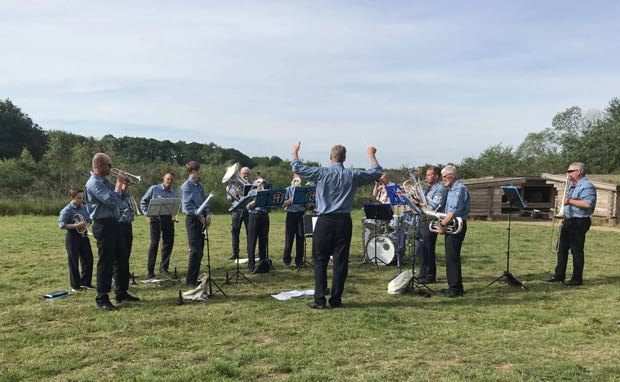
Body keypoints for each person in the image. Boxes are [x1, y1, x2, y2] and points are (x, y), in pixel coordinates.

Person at [292, 143, 382, 309]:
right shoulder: (352, 174)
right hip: (343, 221)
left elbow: (298, 167)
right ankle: (336, 299)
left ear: (330, 157)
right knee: (340, 261)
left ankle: (320, 299)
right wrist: (371, 154)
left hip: (325, 220)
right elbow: (376, 172)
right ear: (345, 158)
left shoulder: (321, 173)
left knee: (320, 260)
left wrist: (295, 152)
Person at [85, 153, 139, 311]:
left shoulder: (104, 181)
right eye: (109, 165)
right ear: (99, 165)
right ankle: (101, 297)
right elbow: (111, 200)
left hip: (115, 223)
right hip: (103, 225)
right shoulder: (94, 183)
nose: (111, 167)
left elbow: (121, 201)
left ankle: (121, 292)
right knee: (106, 262)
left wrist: (125, 186)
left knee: (122, 258)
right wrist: (118, 184)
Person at [546, 162, 597, 286]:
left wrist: (568, 200)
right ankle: (559, 275)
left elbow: (587, 204)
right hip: (569, 220)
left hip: (579, 221)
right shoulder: (571, 186)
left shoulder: (587, 186)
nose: (567, 174)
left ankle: (576, 278)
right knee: (561, 249)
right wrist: (562, 218)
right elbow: (567, 205)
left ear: (578, 172)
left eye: (570, 171)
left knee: (576, 250)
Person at [436, 165, 470, 298]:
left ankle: (455, 289)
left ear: (452, 175)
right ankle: (454, 286)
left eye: (444, 176)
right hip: (452, 225)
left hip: (456, 226)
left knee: (452, 257)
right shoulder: (451, 189)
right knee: (450, 257)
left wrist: (442, 224)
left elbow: (454, 211)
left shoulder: (459, 189)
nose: (443, 179)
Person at [141, 172, 177, 278]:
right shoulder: (154, 188)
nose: (169, 181)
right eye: (167, 179)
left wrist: (174, 215)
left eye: (171, 180)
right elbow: (143, 201)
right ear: (163, 178)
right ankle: (150, 271)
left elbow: (174, 206)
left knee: (168, 243)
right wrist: (146, 214)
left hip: (168, 220)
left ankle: (164, 268)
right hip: (155, 219)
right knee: (154, 244)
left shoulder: (173, 192)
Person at [58, 187, 94, 292]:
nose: (81, 200)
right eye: (79, 198)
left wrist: (86, 224)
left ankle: (86, 283)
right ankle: (75, 286)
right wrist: (77, 225)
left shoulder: (84, 208)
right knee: (73, 261)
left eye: (82, 198)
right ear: (72, 197)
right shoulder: (67, 210)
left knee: (88, 259)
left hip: (84, 235)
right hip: (72, 237)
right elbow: (62, 225)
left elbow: (89, 219)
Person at [180, 161, 210, 286]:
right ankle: (190, 280)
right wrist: (199, 217)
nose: (199, 173)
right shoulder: (186, 186)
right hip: (192, 220)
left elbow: (205, 201)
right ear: (191, 172)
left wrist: (208, 214)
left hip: (202, 218)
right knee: (195, 249)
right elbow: (187, 205)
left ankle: (195, 276)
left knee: (201, 250)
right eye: (197, 171)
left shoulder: (200, 186)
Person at [416, 166, 447, 284]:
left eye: (429, 175)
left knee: (428, 249)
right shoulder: (428, 188)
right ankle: (422, 273)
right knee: (421, 250)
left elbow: (433, 206)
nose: (426, 177)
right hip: (423, 220)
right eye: (427, 175)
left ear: (436, 176)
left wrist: (419, 203)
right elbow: (423, 203)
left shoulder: (440, 189)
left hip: (431, 221)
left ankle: (429, 276)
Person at [246, 177, 271, 273]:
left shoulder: (268, 192)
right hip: (254, 216)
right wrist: (257, 200)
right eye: (260, 183)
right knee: (252, 241)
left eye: (264, 183)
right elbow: (247, 206)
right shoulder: (251, 193)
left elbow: (272, 206)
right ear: (256, 183)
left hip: (264, 216)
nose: (262, 184)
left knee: (263, 240)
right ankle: (251, 266)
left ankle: (262, 264)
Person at [282, 173, 306, 268]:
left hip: (301, 215)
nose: (298, 178)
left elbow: (308, 205)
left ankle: (299, 261)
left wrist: (305, 201)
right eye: (297, 177)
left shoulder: (304, 190)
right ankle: (286, 261)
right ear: (293, 178)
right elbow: (283, 204)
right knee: (289, 238)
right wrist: (293, 198)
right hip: (291, 215)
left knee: (300, 238)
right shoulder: (287, 189)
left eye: (300, 177)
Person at [227, 166, 251, 260]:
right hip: (236, 210)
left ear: (249, 174)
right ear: (240, 174)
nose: (245, 175)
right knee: (235, 231)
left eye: (247, 174)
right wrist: (232, 195)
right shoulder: (233, 185)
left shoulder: (252, 184)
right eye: (243, 173)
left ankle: (250, 253)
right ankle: (235, 253)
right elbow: (228, 198)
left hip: (248, 210)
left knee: (250, 232)